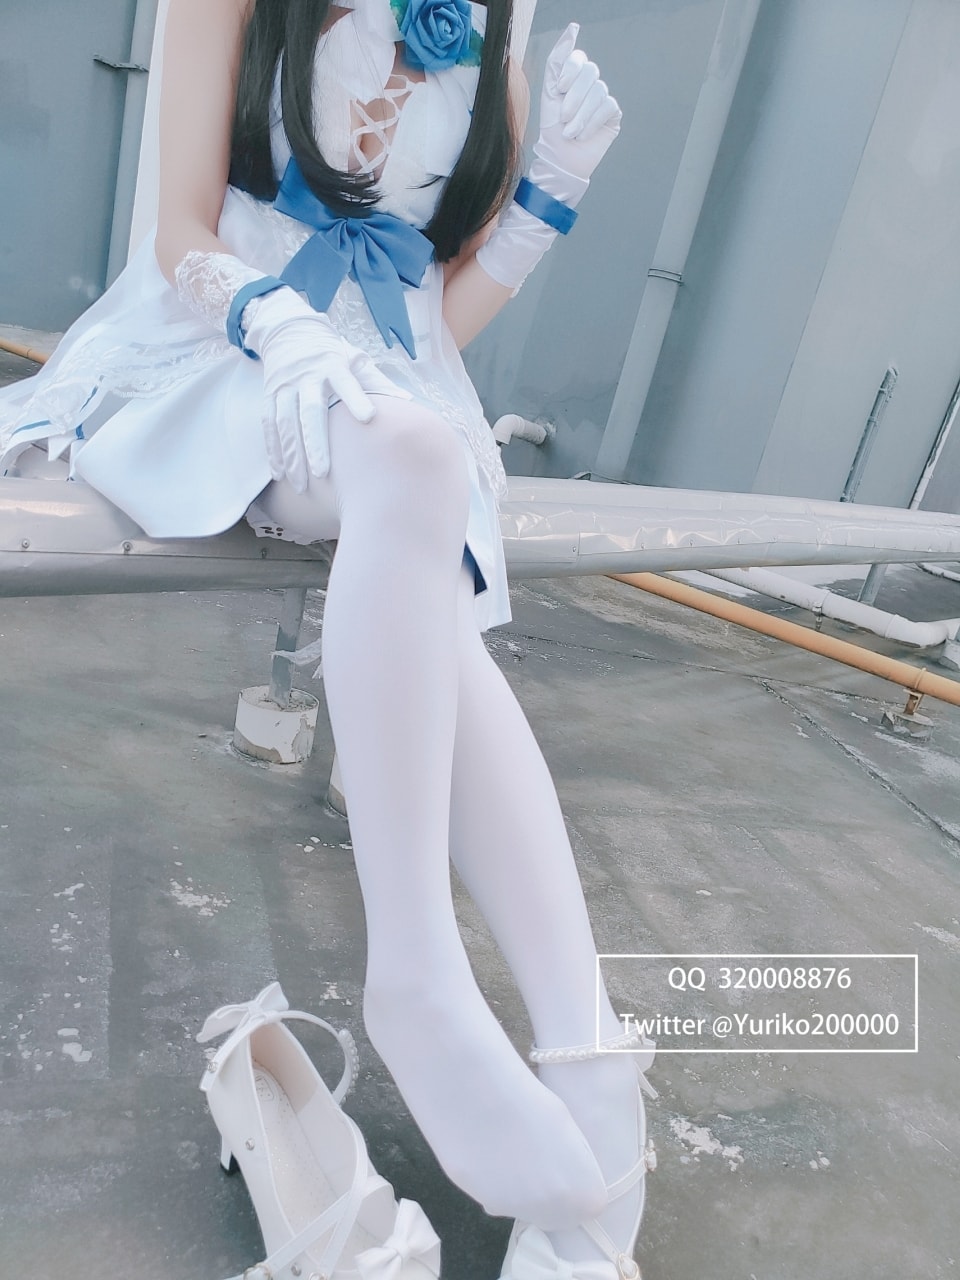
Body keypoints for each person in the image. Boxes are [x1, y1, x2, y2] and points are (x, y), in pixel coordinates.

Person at [0, 1, 655, 1275]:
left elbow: (433, 319)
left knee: (420, 505)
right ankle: (433, 980)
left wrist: (554, 192)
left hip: (381, 388)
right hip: (219, 345)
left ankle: (583, 1049)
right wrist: (273, 320)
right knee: (414, 470)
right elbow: (180, 227)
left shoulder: (490, 44)